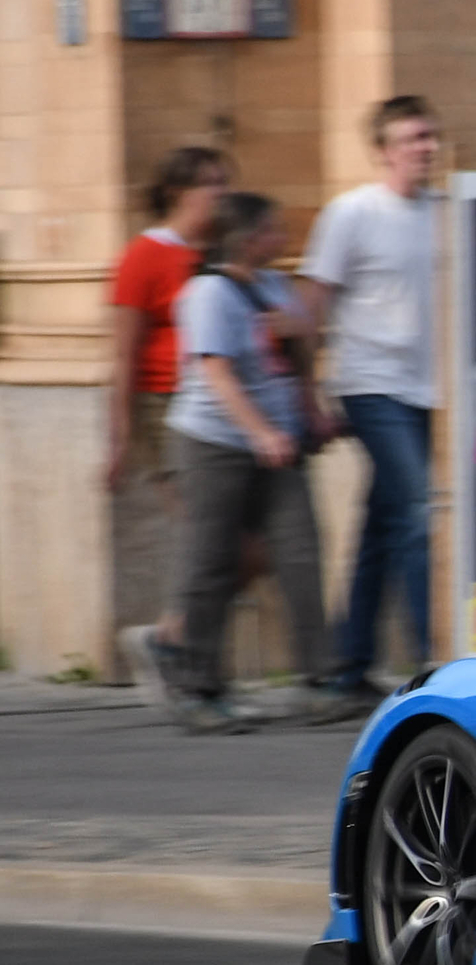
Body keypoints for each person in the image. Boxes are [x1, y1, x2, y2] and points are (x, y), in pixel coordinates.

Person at [162, 193, 347, 732]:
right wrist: (260, 432)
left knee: (300, 552)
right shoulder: (208, 293)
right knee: (210, 559)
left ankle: (318, 680)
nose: (283, 237)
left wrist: (310, 409)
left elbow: (298, 346)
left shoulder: (270, 286)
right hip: (214, 443)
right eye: (273, 230)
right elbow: (216, 373)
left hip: (278, 443)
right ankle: (197, 687)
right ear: (246, 239)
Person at [300, 94, 442, 702]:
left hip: (429, 390)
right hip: (371, 383)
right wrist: (310, 392)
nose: (425, 148)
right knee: (416, 516)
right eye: (412, 138)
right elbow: (311, 304)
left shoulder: (447, 210)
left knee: (382, 527)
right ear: (384, 151)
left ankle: (348, 664)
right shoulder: (352, 213)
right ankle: (431, 665)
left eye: (431, 136)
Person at [108, 146, 231, 713]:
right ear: (181, 192)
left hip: (217, 407)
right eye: (214, 185)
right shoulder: (145, 256)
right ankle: (182, 653)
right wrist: (119, 439)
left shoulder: (216, 254)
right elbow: (124, 355)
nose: (224, 194)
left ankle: (169, 636)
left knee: (236, 548)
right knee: (206, 539)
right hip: (165, 407)